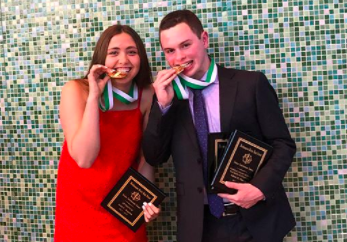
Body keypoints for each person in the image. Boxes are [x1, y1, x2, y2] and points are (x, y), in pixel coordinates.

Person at [142, 10, 296, 242]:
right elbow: (154, 157)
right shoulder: (168, 98)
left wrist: (259, 189)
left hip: (254, 222)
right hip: (200, 227)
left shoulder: (250, 84)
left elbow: (283, 144)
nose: (179, 57)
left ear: (203, 39)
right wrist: (163, 107)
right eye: (170, 51)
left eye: (186, 45)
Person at [54, 24, 160, 242]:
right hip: (79, 214)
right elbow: (84, 158)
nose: (123, 60)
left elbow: (146, 158)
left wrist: (148, 200)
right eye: (114, 52)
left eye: (132, 52)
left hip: (124, 210)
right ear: (101, 57)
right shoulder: (76, 90)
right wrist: (94, 96)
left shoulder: (147, 95)